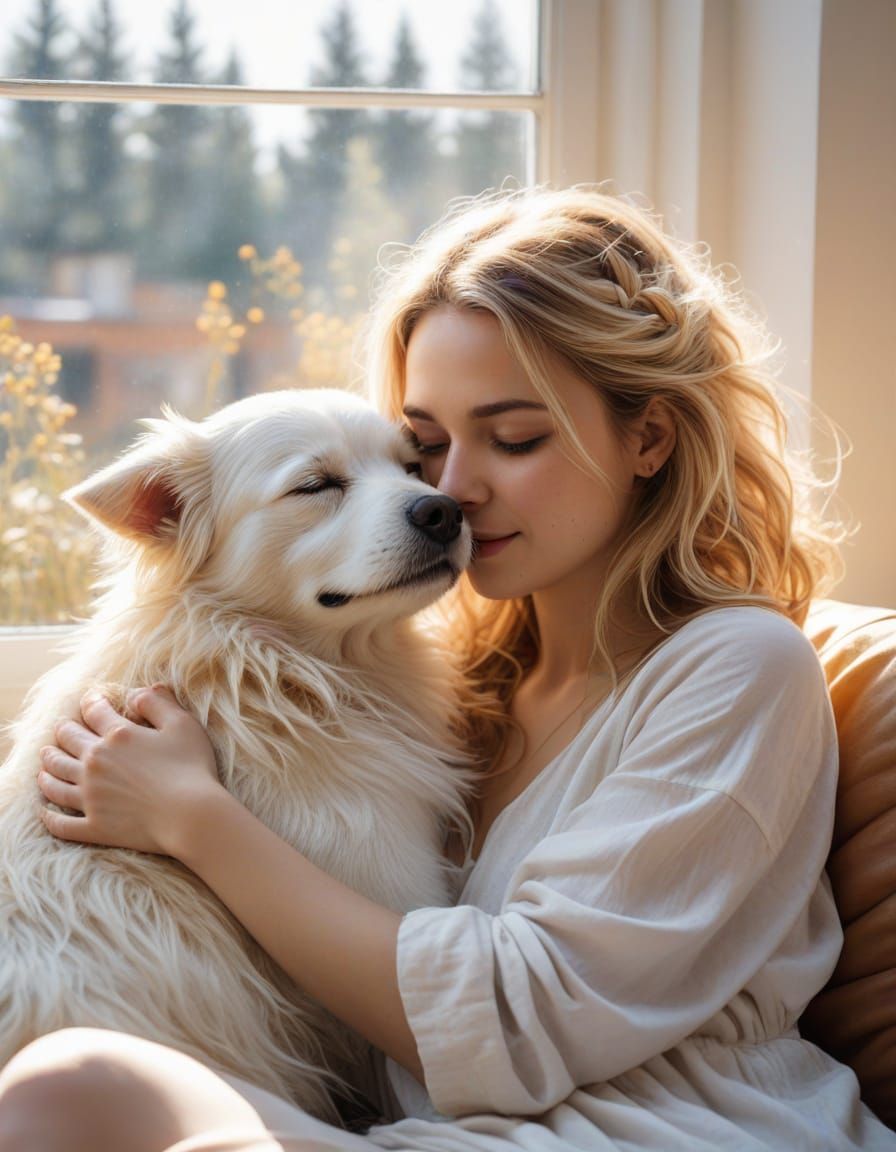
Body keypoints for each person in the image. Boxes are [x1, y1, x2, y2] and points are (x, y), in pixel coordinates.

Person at [1, 185, 892, 1152]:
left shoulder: (738, 666)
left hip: (661, 1134)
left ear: (649, 437)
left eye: (515, 438)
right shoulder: (457, 674)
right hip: (435, 1135)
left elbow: (518, 1021)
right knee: (65, 1083)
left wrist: (193, 818)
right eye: (426, 448)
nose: (452, 492)